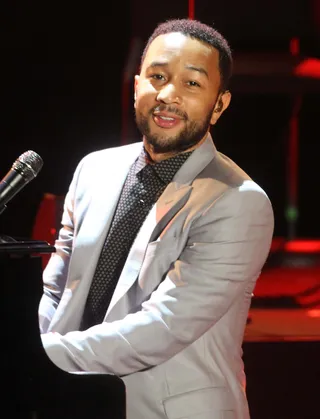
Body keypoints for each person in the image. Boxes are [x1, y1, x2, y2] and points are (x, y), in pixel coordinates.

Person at [39, 18, 274, 419]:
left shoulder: (239, 202)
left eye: (192, 83)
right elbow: (57, 290)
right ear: (136, 87)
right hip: (73, 400)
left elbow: (161, 327)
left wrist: (38, 360)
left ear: (220, 104)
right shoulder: (94, 169)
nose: (168, 94)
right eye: (157, 76)